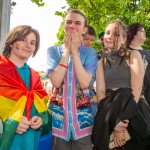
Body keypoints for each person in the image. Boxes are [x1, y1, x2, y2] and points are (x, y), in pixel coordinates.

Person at [91, 19, 150, 150]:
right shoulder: (100, 62)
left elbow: (136, 89)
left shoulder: (133, 55)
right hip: (109, 110)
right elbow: (100, 92)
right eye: (107, 33)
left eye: (116, 34)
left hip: (134, 110)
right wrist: (113, 121)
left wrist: (122, 121)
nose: (110, 37)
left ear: (124, 39)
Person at [47, 9, 97, 150]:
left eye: (77, 23)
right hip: (58, 124)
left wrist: (74, 51)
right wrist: (67, 51)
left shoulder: (90, 53)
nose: (72, 26)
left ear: (84, 29)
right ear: (64, 26)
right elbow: (56, 81)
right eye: (69, 22)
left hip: (84, 124)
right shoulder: (53, 51)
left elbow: (85, 82)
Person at [0, 25, 52, 150]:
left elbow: (42, 106)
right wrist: (10, 123)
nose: (28, 45)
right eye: (23, 39)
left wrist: (40, 119)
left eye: (32, 43)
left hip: (29, 140)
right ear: (11, 43)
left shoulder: (35, 76)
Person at [127, 22, 150, 106]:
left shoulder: (148, 53)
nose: (144, 33)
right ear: (133, 33)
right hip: (134, 98)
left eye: (144, 31)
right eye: (141, 31)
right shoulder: (125, 52)